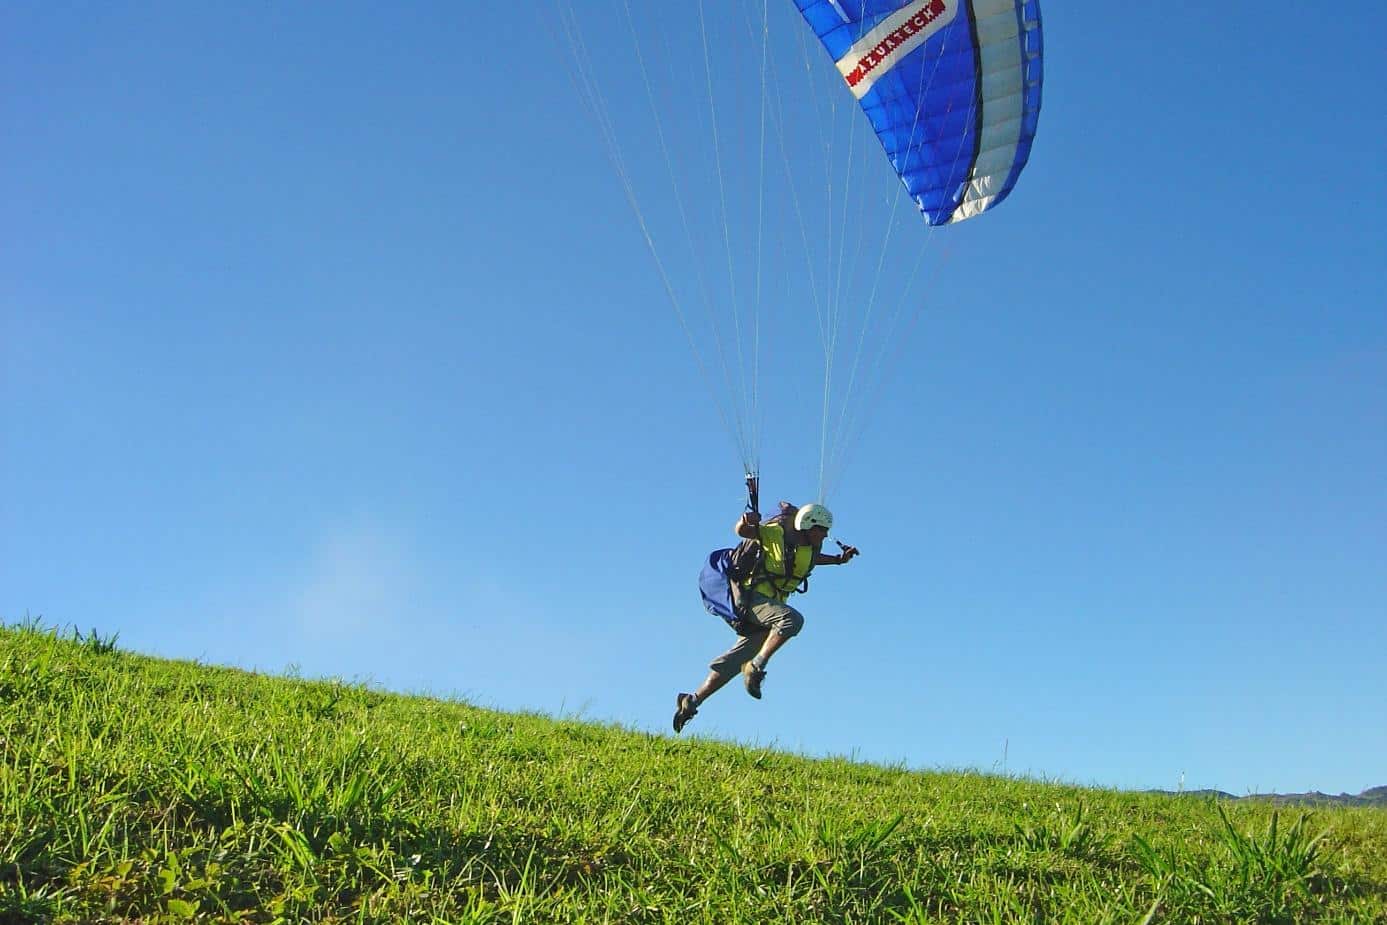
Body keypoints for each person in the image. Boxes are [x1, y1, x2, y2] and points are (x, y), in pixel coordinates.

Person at [673, 501, 857, 733]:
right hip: (751, 600)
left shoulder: (810, 548)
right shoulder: (774, 533)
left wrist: (839, 560)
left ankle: (691, 701)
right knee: (792, 620)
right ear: (807, 525)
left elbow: (810, 560)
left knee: (734, 659)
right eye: (821, 530)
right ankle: (756, 667)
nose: (825, 536)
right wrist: (745, 520)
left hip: (770, 609)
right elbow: (743, 531)